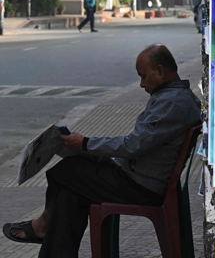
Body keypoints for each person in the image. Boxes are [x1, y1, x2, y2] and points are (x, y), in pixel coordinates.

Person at [3, 45, 200, 256]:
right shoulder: (177, 97)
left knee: (66, 171)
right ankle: (50, 241)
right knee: (71, 193)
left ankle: (43, 224)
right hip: (140, 177)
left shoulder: (172, 103)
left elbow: (133, 145)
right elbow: (141, 143)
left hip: (141, 186)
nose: (141, 84)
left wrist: (86, 143)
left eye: (144, 76)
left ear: (160, 71)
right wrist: (90, 150)